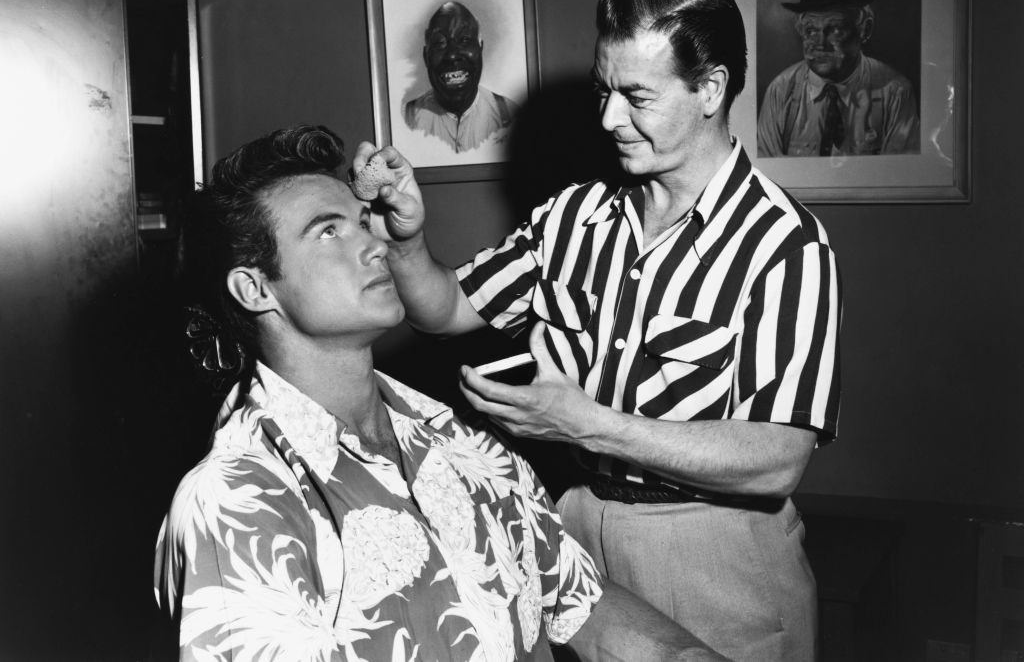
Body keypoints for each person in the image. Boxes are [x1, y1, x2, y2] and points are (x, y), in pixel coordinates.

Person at [362, 0, 842, 661]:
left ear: (710, 89)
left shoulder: (785, 244)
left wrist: (595, 426)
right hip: (577, 529)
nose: (609, 118)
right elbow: (445, 310)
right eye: (603, 91)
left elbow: (776, 459)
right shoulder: (572, 216)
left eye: (636, 96)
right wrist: (407, 239)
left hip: (717, 556)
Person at [153, 124, 725, 661]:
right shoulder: (236, 502)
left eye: (363, 221)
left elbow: (584, 606)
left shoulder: (466, 442)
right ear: (254, 288)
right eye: (329, 231)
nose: (374, 244)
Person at [757, 0, 919, 157]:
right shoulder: (781, 91)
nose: (819, 43)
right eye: (811, 30)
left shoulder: (895, 93)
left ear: (865, 30)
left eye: (835, 29)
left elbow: (899, 178)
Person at [404, 1, 519, 152]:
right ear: (426, 56)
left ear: (480, 48)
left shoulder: (509, 114)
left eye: (464, 40)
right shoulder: (409, 117)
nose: (452, 55)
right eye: (439, 43)